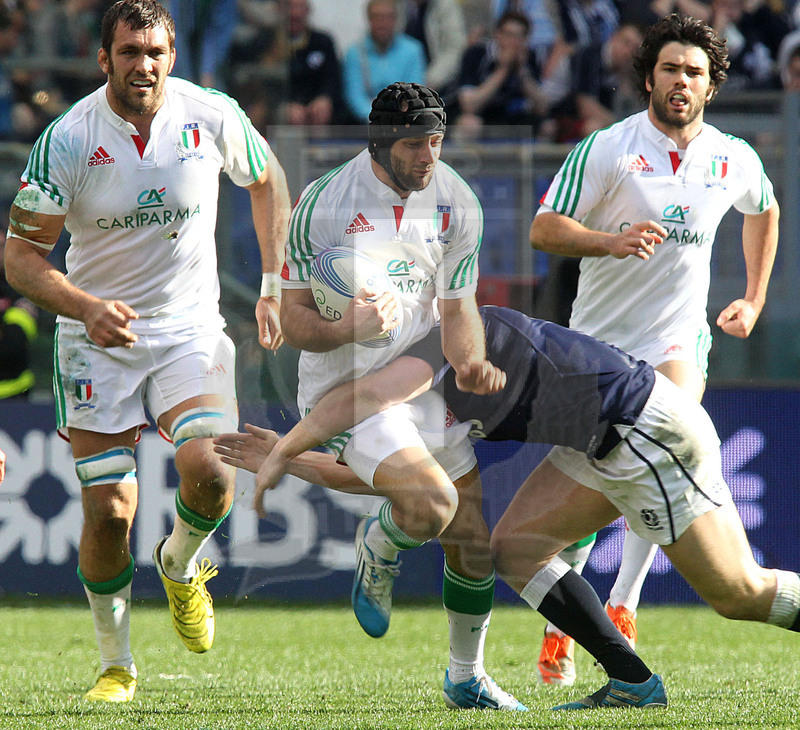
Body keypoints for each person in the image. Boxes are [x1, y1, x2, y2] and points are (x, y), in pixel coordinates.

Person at [216, 305, 800, 711]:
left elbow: (365, 395)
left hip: (647, 434)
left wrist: (287, 449)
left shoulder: (446, 345)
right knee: (514, 550)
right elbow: (397, 484)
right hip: (601, 444)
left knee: (738, 595)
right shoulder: (436, 368)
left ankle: (633, 676)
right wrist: (290, 459)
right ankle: (632, 681)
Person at [3, 0, 290, 703]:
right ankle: (117, 664)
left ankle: (180, 564)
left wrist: (274, 283)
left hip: (189, 327)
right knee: (109, 514)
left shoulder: (210, 114)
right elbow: (19, 257)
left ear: (172, 55)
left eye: (155, 51)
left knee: (213, 474)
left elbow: (268, 179)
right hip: (96, 338)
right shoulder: (69, 139)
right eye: (129, 51)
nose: (144, 64)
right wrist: (84, 305)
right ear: (105, 60)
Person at [530, 12, 779, 686]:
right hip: (595, 348)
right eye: (670, 68)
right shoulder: (609, 148)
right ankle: (566, 619)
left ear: (710, 86)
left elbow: (765, 209)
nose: (681, 80)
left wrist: (753, 299)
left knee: (656, 443)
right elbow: (544, 227)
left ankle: (624, 603)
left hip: (676, 341)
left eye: (694, 72)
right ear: (649, 78)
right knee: (606, 478)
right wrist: (607, 241)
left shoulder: (732, 156)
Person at [279, 81, 525, 711]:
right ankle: (381, 543)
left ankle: (465, 677)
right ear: (382, 142)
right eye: (416, 142)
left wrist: (469, 362)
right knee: (431, 505)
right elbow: (291, 320)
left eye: (436, 141)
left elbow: (457, 305)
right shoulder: (323, 203)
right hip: (348, 390)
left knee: (472, 542)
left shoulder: (456, 202)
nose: (428, 155)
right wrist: (346, 327)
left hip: (419, 380)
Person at [455, 11, 549, 137]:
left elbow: (542, 108)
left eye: (519, 36)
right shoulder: (476, 54)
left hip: (515, 117)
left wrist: (521, 71)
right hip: (483, 116)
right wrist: (503, 69)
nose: (513, 41)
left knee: (547, 126)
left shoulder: (530, 58)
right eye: (508, 35)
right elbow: (469, 106)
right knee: (468, 124)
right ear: (497, 34)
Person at [342, 0, 427, 123]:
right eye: (377, 17)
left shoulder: (413, 50)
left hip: (405, 123)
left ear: (396, 19)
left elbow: (414, 94)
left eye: (388, 17)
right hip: (366, 124)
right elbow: (355, 98)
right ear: (369, 20)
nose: (382, 23)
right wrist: (380, 118)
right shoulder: (354, 53)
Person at [284, 0, 344, 126]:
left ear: (308, 10)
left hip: (317, 107)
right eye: (290, 7)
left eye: (299, 7)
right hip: (282, 106)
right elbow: (266, 82)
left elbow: (333, 78)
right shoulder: (268, 42)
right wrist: (286, 104)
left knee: (323, 110)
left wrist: (325, 98)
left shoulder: (323, 42)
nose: (294, 13)